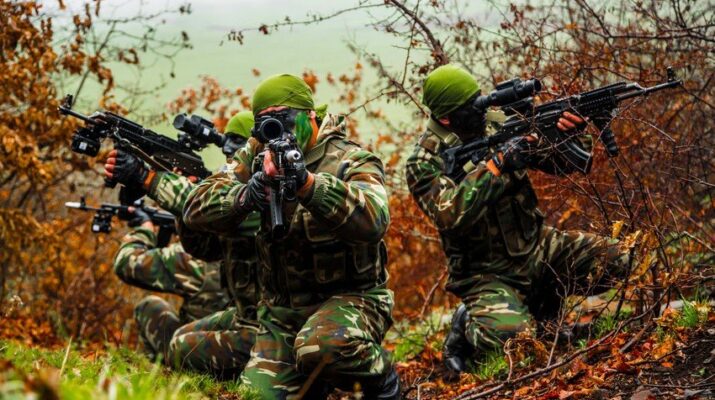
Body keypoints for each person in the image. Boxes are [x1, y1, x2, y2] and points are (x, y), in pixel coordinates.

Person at [183, 74, 399, 399]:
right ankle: (312, 380)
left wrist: (309, 185)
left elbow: (374, 220)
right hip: (282, 318)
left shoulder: (350, 160)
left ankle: (383, 380)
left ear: (310, 115)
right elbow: (195, 207)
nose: (277, 130)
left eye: (283, 118)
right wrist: (246, 195)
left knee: (321, 346)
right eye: (265, 123)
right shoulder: (256, 152)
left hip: (353, 300)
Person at [405, 64, 631, 374]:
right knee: (515, 340)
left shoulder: (498, 123)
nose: (481, 108)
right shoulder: (424, 161)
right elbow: (450, 214)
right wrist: (496, 166)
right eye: (471, 106)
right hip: (485, 273)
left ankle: (546, 317)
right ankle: (467, 322)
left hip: (537, 246)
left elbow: (564, 165)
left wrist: (568, 133)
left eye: (480, 99)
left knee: (618, 259)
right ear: (446, 118)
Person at [107, 111, 261, 378]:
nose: (230, 155)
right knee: (181, 338)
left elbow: (127, 263)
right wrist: (186, 211)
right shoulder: (233, 195)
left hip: (265, 328)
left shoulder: (262, 197)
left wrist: (147, 181)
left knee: (169, 333)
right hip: (246, 319)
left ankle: (163, 377)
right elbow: (204, 248)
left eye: (238, 146)